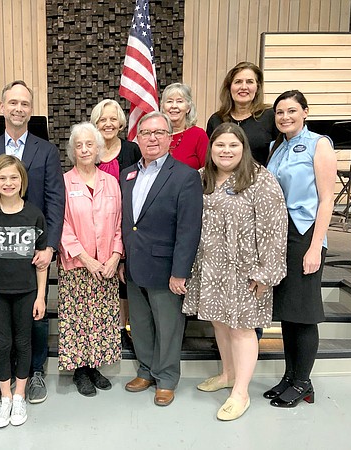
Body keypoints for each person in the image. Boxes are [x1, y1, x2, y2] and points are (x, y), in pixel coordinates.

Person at [0, 80, 65, 404]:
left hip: (32, 249)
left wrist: (49, 245)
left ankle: (34, 372)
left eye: (24, 103)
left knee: (35, 314)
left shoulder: (46, 150)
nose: (18, 108)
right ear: (2, 107)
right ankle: (5, 376)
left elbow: (55, 200)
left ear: (30, 109)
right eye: (13, 103)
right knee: (2, 320)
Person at [182, 123, 287, 421]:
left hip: (246, 269)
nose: (226, 151)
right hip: (209, 265)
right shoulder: (201, 178)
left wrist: (266, 273)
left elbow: (275, 229)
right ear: (210, 149)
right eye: (220, 145)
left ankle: (241, 392)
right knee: (219, 323)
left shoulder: (260, 180)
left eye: (233, 146)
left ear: (243, 148)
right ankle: (227, 373)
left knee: (242, 327)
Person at [119, 111, 203, 407]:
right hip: (133, 266)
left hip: (167, 268)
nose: (152, 138)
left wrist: (180, 272)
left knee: (168, 326)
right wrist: (121, 261)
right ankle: (145, 370)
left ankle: (166, 378)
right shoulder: (126, 174)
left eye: (158, 133)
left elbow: (189, 229)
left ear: (170, 138)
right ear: (137, 138)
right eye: (146, 133)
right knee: (140, 324)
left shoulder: (185, 176)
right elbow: (125, 222)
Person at [265, 90, 337, 408]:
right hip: (283, 236)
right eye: (279, 112)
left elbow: (327, 199)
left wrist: (314, 247)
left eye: (291, 111)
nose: (285, 117)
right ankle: (290, 375)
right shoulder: (275, 148)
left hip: (306, 235)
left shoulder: (319, 144)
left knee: (305, 314)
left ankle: (304, 382)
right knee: (289, 314)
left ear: (305, 112)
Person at [0, 155, 47, 428]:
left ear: (22, 181)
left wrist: (40, 296)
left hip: (27, 291)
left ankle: (19, 396)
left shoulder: (34, 214)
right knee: (2, 344)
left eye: (13, 177)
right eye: (2, 178)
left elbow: (41, 262)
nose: (8, 183)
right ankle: (5, 397)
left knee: (23, 343)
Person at [57, 123, 122, 396]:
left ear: (98, 148)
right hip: (77, 265)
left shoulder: (112, 182)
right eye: (79, 145)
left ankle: (95, 366)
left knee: (101, 319)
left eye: (89, 144)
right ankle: (80, 371)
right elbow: (60, 225)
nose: (84, 149)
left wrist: (116, 256)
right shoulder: (63, 181)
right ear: (73, 150)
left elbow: (120, 223)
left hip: (106, 265)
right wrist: (87, 259)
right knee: (78, 320)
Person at [90, 98, 140, 349]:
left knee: (124, 278)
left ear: (121, 122)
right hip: (97, 228)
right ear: (95, 123)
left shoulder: (133, 150)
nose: (108, 124)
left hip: (128, 223)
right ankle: (113, 327)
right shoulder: (90, 151)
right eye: (102, 119)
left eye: (112, 119)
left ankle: (128, 326)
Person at [206, 62, 279, 166]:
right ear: (230, 87)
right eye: (238, 82)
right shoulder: (217, 119)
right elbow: (210, 158)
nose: (244, 87)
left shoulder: (271, 116)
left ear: (257, 87)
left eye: (249, 82)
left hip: (260, 180)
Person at [160, 82, 208, 169]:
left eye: (179, 101)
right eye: (169, 101)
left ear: (188, 108)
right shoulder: (156, 135)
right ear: (163, 107)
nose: (174, 106)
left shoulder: (198, 135)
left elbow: (208, 170)